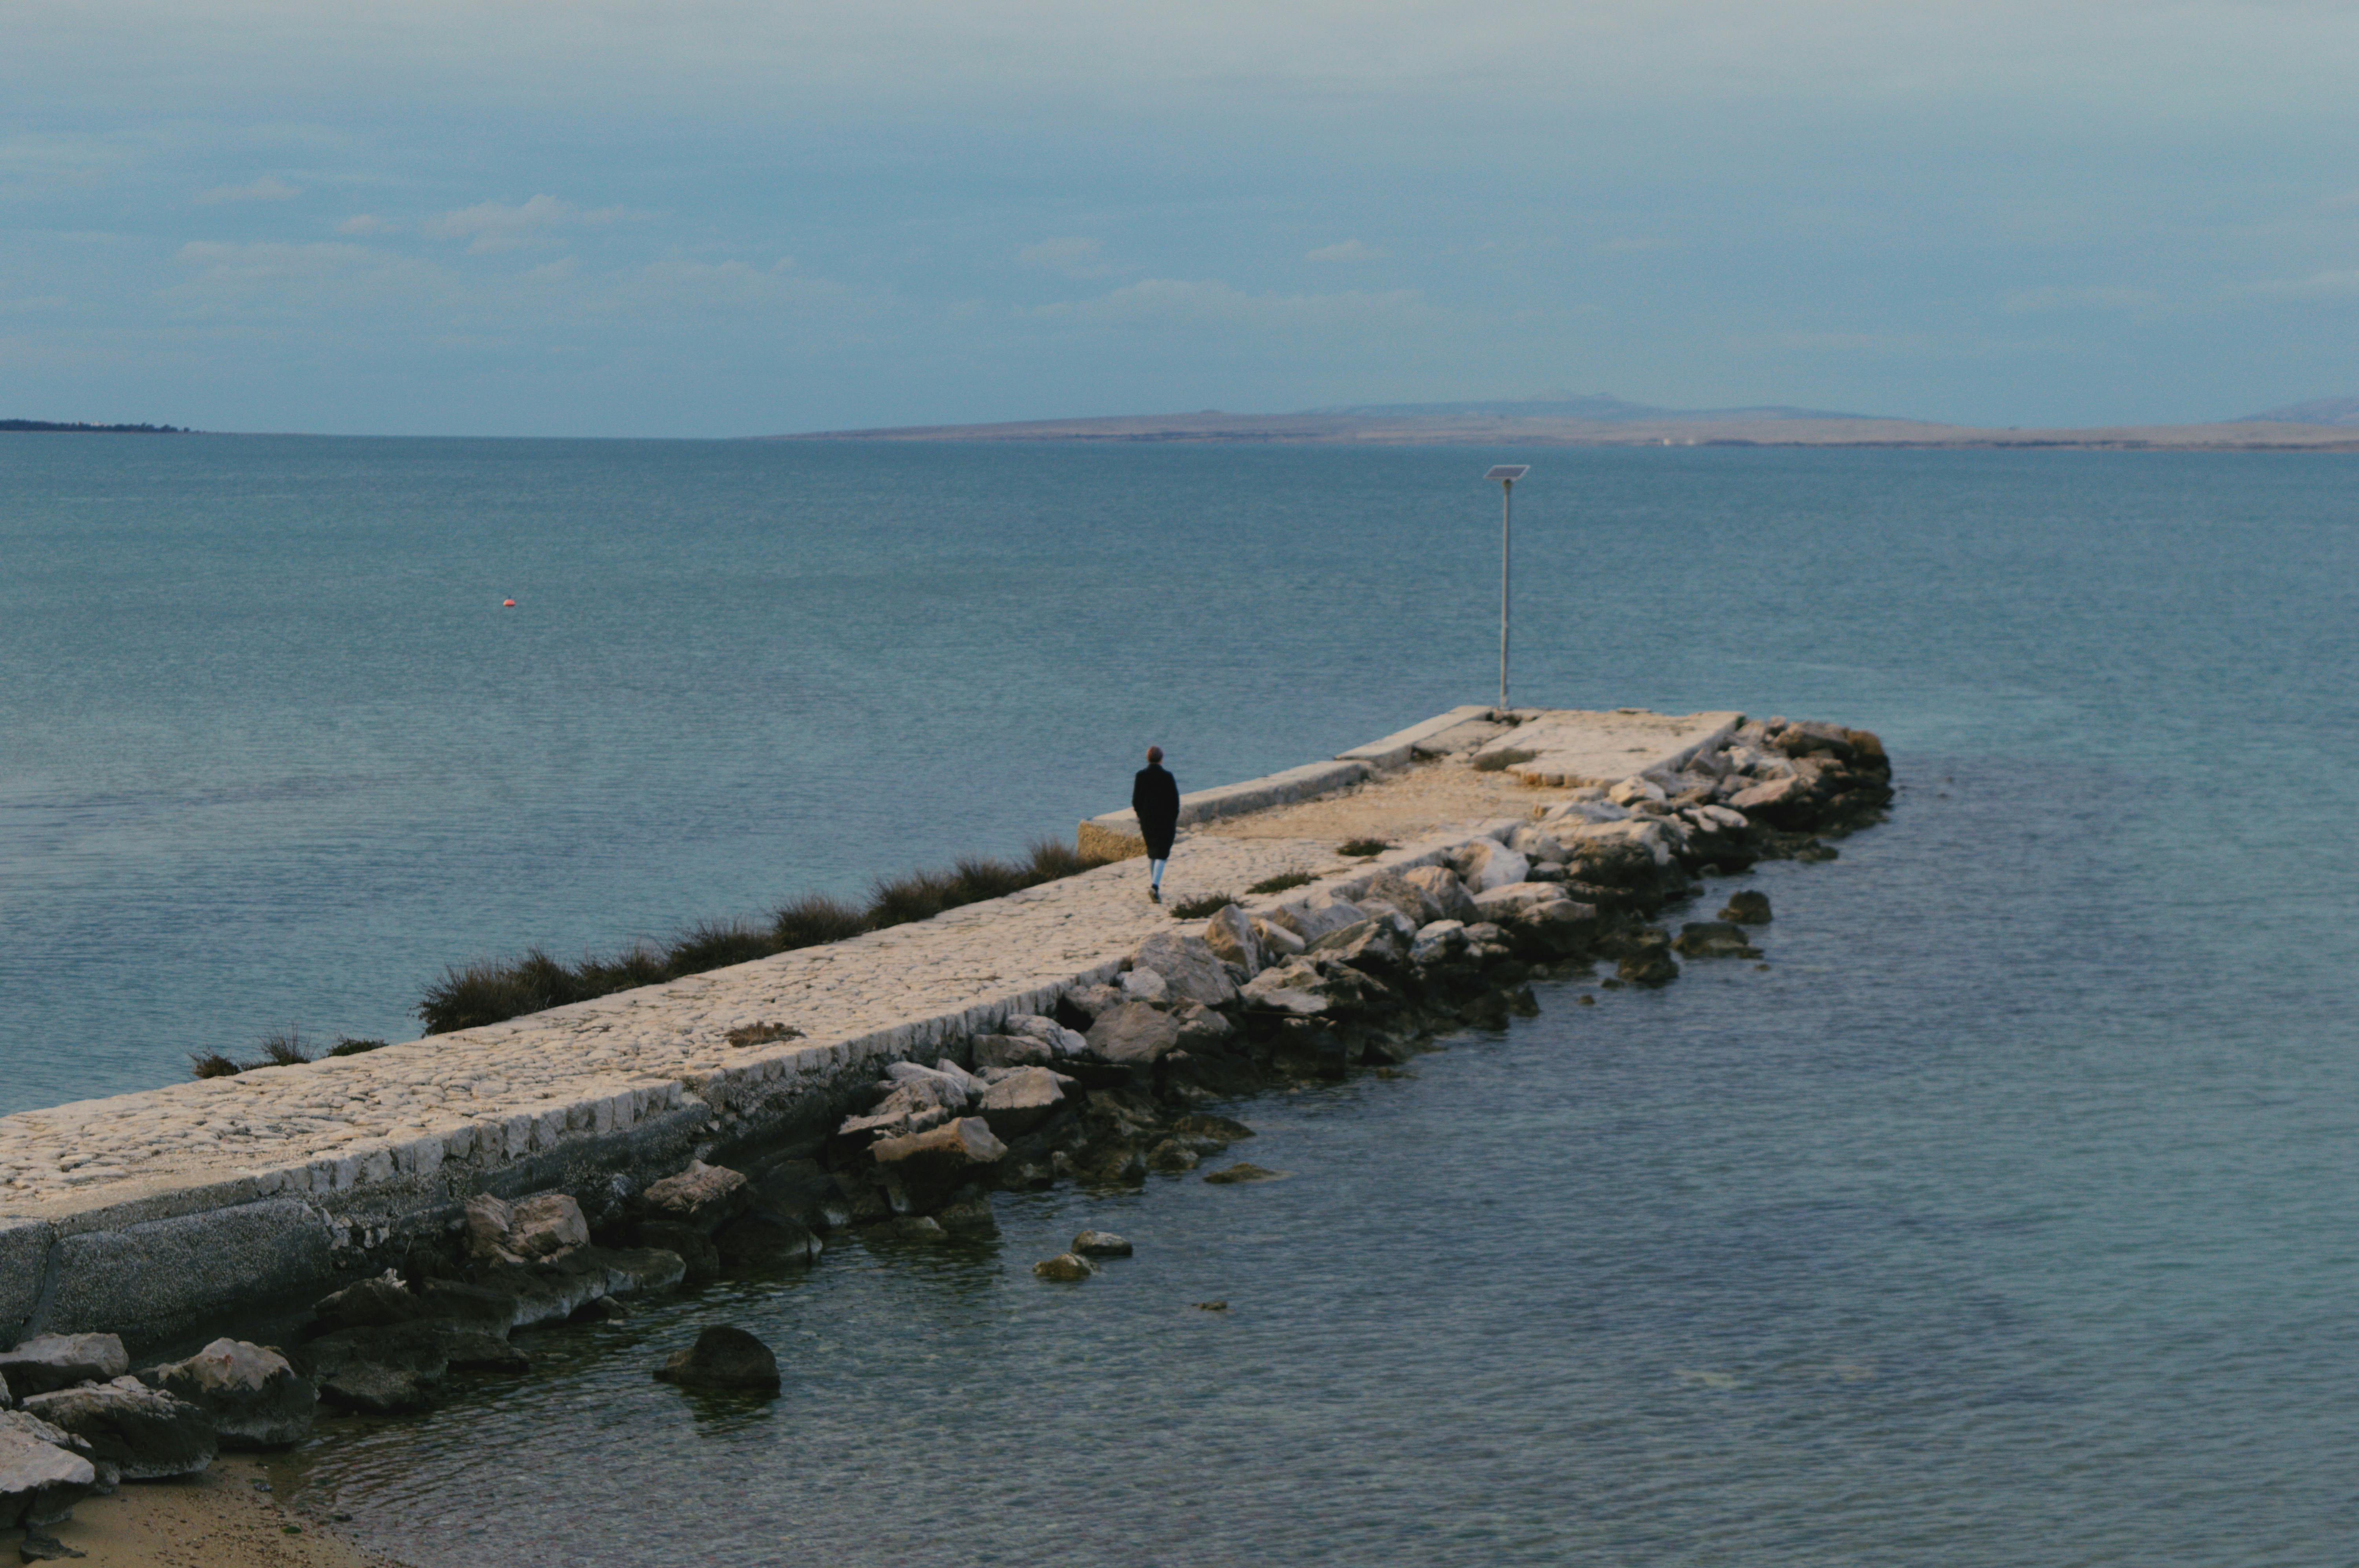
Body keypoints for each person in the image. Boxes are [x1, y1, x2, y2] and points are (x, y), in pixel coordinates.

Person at [1132, 745, 1180, 903]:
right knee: (1162, 852)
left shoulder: (1140, 776)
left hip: (1147, 820)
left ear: (1148, 758)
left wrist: (1141, 816)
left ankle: (1154, 884)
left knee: (1152, 852)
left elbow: (1136, 801)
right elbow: (1175, 801)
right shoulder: (1167, 776)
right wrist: (1173, 818)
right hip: (1165, 820)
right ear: (1161, 759)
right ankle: (1155, 886)